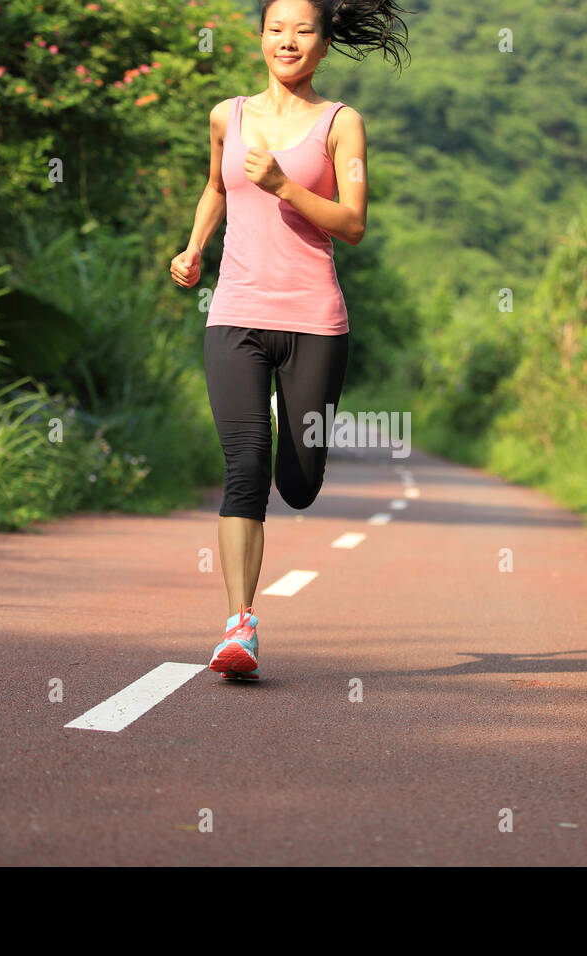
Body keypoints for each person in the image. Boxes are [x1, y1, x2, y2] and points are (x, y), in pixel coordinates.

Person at [170, 0, 410, 680]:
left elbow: (354, 222)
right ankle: (239, 624)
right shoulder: (228, 115)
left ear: (325, 45)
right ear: (261, 38)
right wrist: (192, 250)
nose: (289, 40)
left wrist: (281, 183)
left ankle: (304, 457)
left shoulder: (341, 124)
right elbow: (216, 186)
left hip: (314, 322)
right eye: (277, 28)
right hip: (236, 316)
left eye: (304, 30)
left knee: (298, 485)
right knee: (244, 468)